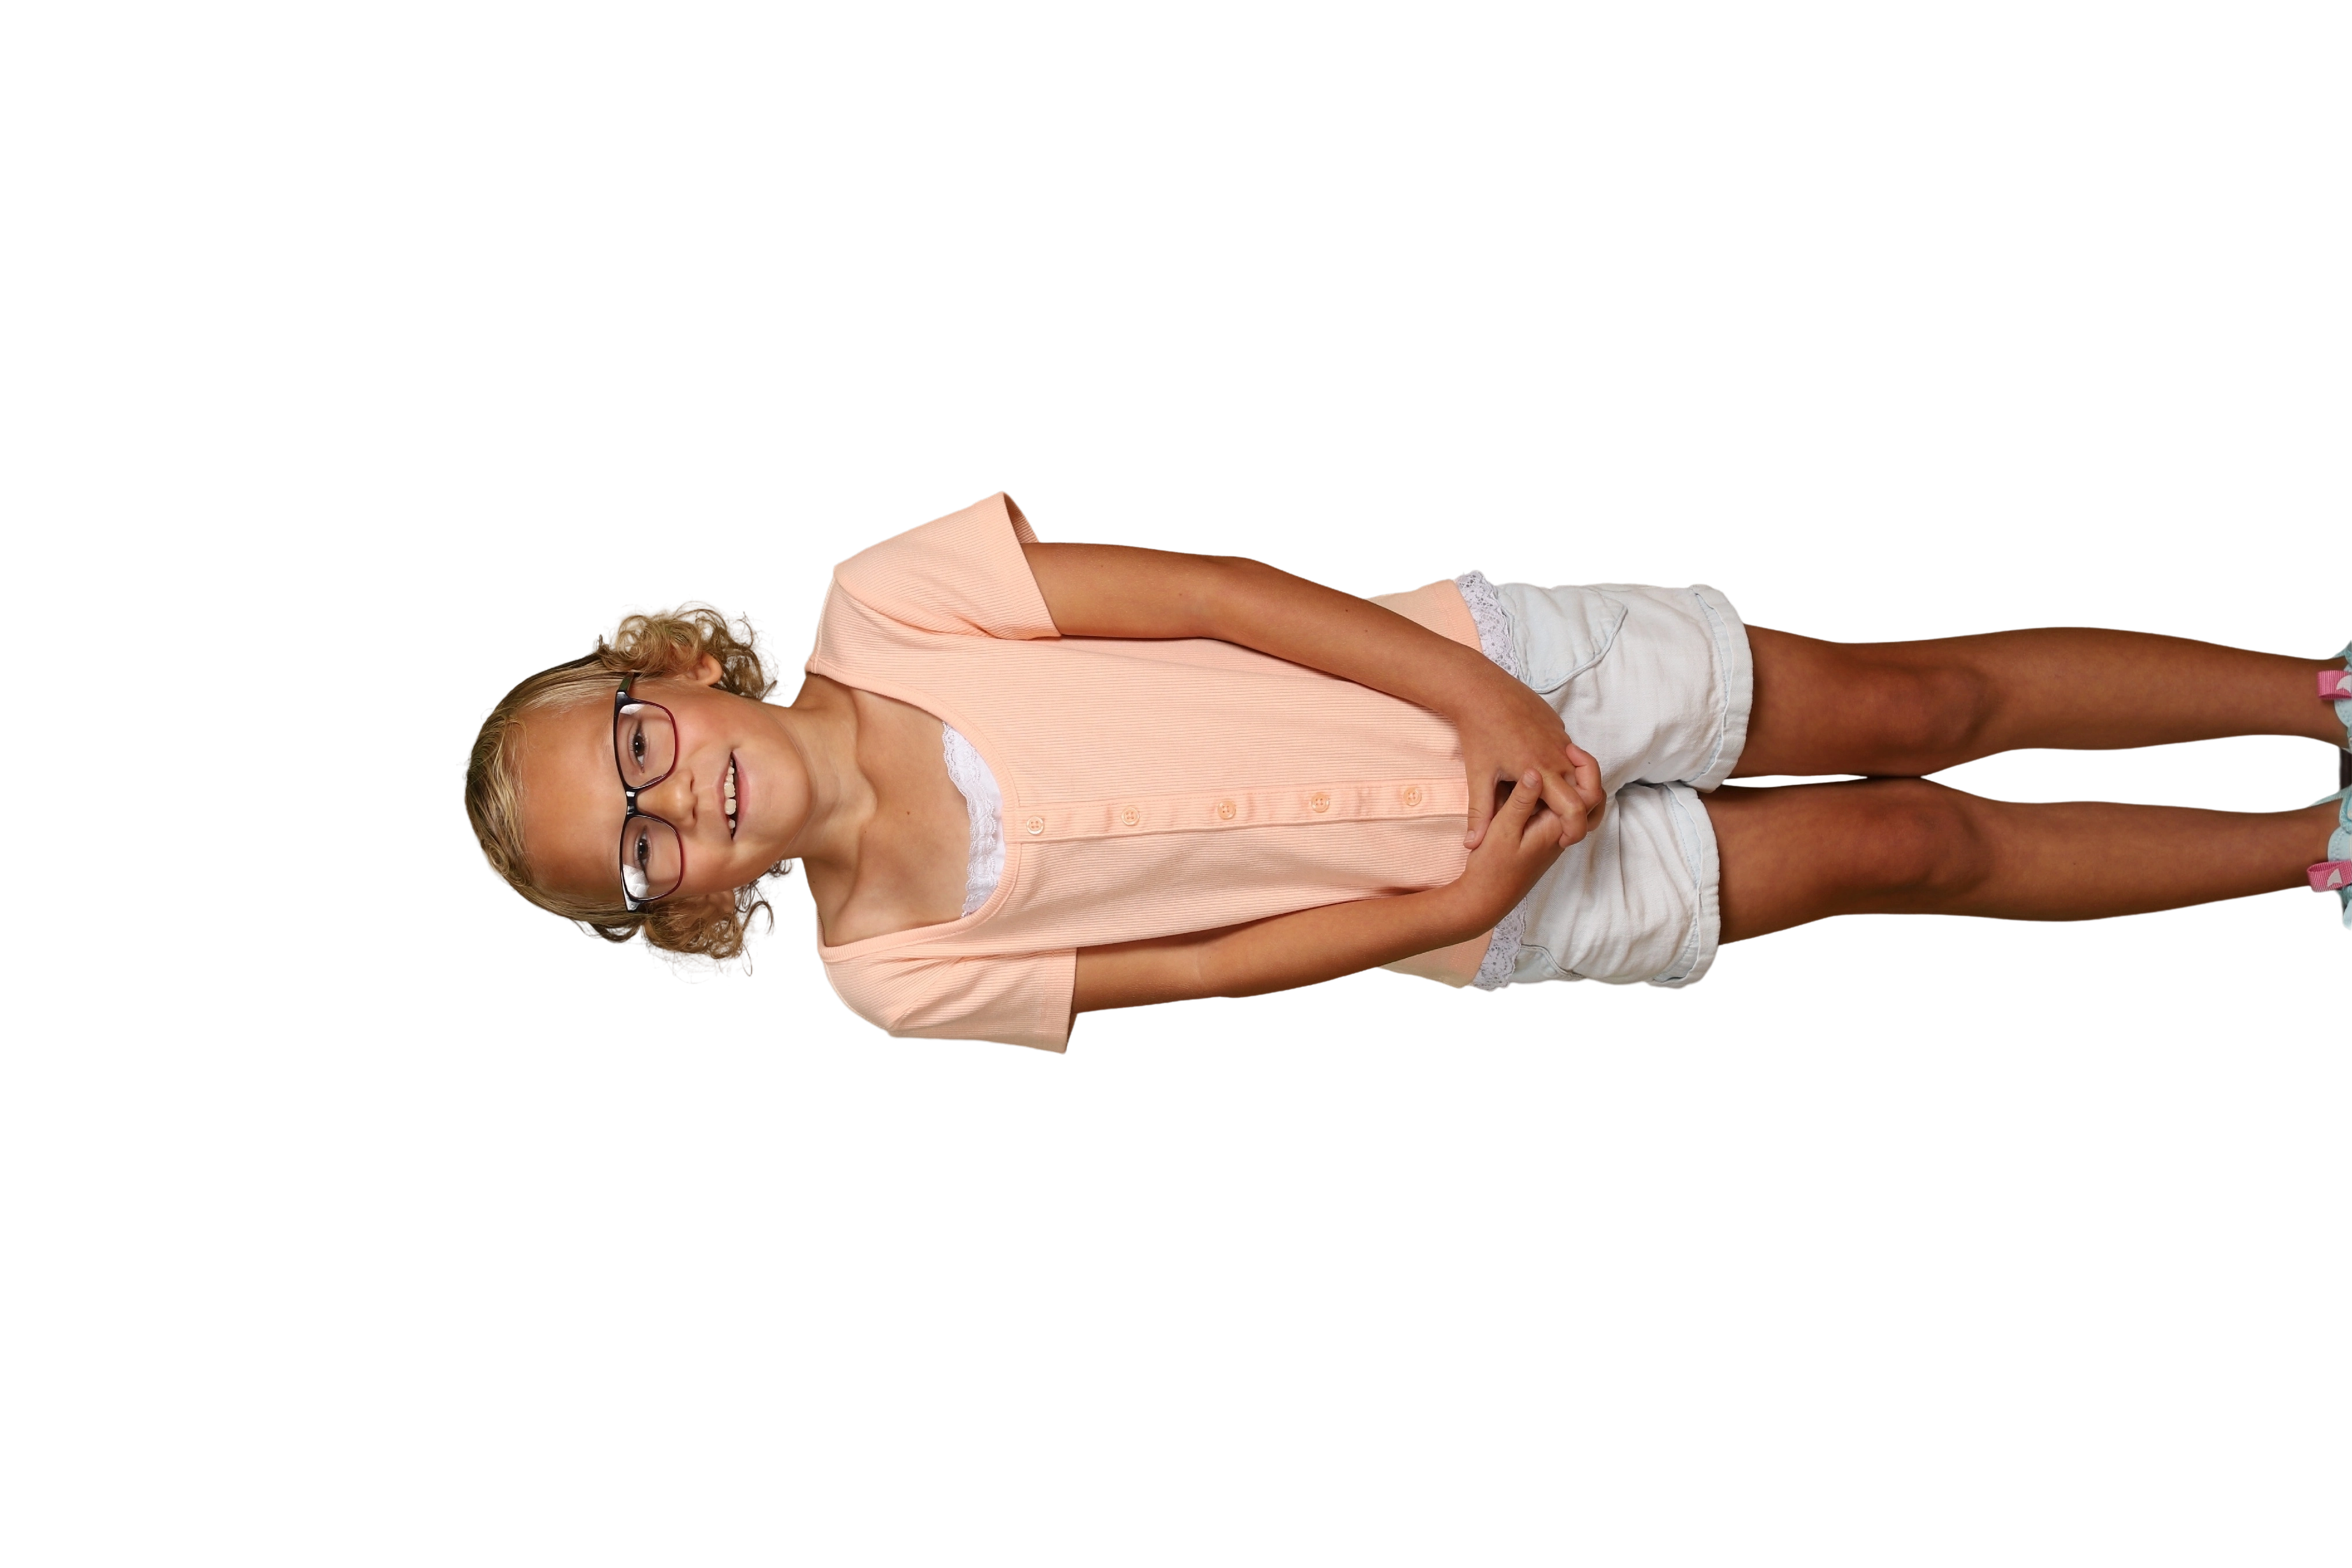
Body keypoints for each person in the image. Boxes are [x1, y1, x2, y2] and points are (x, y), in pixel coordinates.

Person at [457, 487, 2352, 1054]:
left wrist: (1484, 704)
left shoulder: (894, 601)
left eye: (636, 750)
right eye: (635, 852)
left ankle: (2320, 691)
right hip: (1484, 905)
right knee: (1899, 851)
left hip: (1495, 672)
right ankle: (2312, 852)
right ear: (678, 911)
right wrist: (1468, 896)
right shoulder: (892, 973)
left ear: (676, 672)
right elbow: (1202, 967)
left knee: (1906, 711)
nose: (673, 804)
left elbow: (1214, 596)